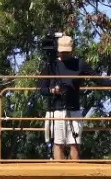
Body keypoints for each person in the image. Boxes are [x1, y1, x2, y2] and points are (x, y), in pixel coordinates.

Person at [40, 33, 95, 161]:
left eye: (67, 52)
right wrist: (54, 91)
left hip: (75, 110)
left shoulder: (79, 64)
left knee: (75, 143)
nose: (63, 54)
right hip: (57, 110)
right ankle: (59, 174)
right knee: (58, 143)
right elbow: (42, 89)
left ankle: (74, 174)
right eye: (62, 51)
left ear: (72, 50)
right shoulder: (51, 66)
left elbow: (98, 79)